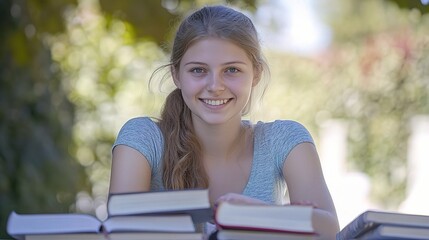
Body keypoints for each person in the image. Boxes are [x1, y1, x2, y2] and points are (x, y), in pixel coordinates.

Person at [109, 5, 339, 239]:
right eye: (198, 70)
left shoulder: (284, 140)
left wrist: (256, 213)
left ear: (256, 74)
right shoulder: (142, 139)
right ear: (176, 75)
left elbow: (329, 230)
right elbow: (121, 231)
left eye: (231, 70)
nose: (215, 86)